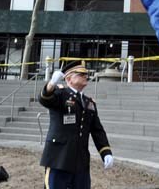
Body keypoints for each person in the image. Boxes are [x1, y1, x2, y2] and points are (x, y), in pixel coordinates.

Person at [39, 60, 113, 189]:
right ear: (69, 79)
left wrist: (105, 152)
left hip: (81, 161)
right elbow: (45, 99)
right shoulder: (60, 94)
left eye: (86, 74)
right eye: (80, 74)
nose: (85, 76)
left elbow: (97, 130)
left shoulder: (89, 102)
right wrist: (51, 84)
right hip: (59, 158)